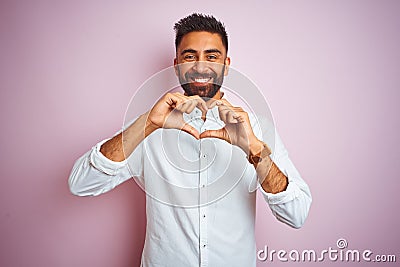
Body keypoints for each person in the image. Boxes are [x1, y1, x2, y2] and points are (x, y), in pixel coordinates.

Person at [69, 13, 312, 267]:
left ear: (226, 65)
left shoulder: (258, 128)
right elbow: (81, 183)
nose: (200, 66)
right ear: (176, 65)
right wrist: (147, 124)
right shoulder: (149, 126)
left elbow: (296, 214)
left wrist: (254, 150)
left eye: (211, 56)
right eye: (189, 56)